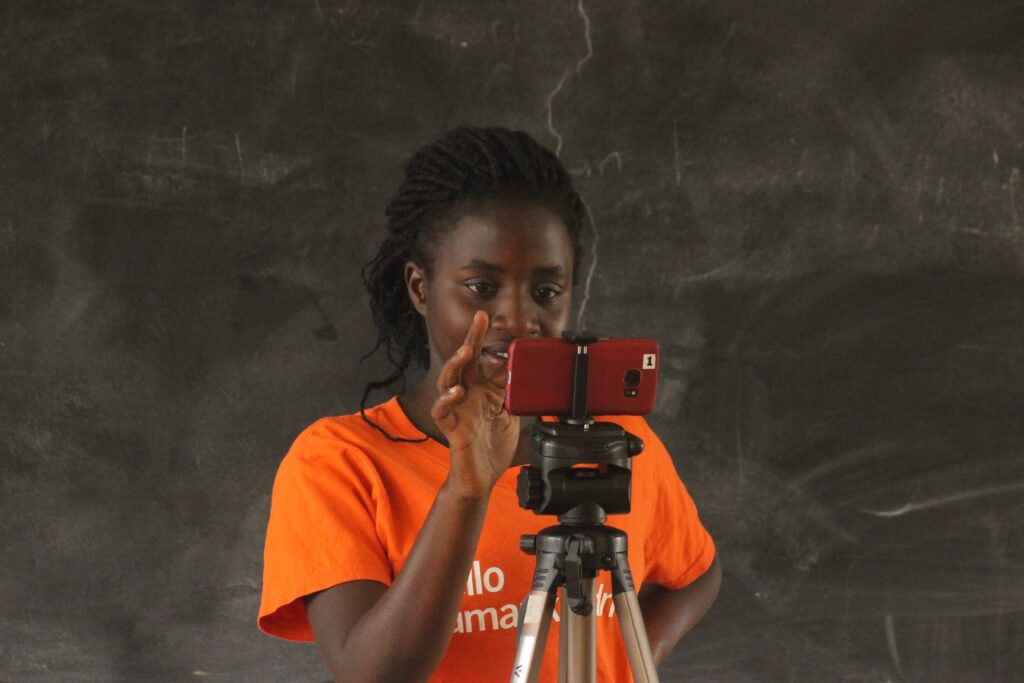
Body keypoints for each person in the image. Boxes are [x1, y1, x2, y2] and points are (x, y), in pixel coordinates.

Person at [258, 126, 722, 682]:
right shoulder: (339, 461)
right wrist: (466, 488)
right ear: (420, 288)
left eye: (546, 293)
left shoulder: (612, 443)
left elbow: (697, 572)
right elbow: (372, 676)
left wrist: (625, 659)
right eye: (481, 287)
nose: (520, 319)